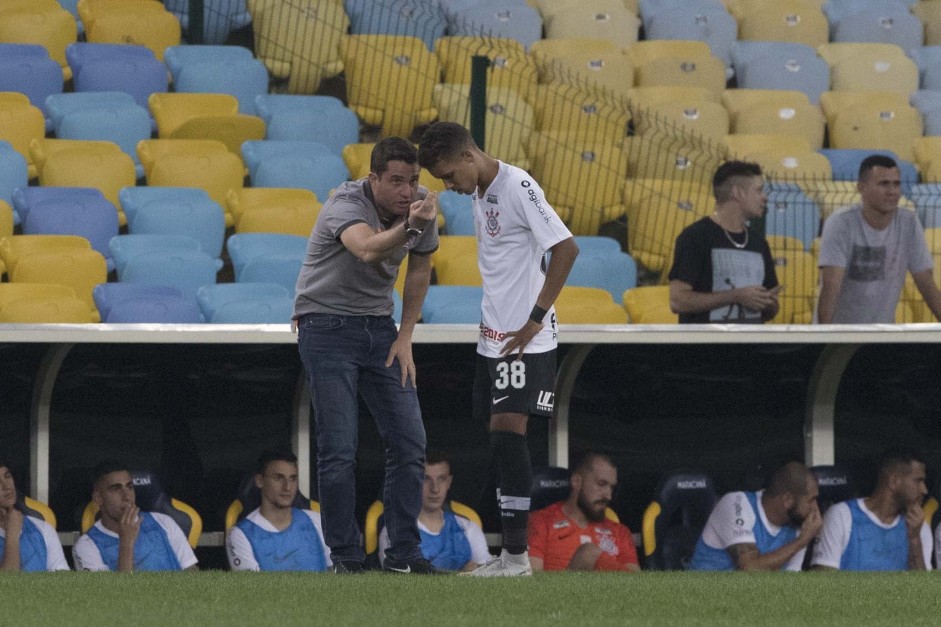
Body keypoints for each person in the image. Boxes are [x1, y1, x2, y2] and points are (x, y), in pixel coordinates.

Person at [418, 121, 579, 577]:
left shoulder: (517, 185)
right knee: (498, 436)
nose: (449, 186)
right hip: (494, 334)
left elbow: (566, 249)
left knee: (510, 435)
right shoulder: (478, 190)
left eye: (450, 174)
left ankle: (517, 559)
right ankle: (509, 558)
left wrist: (535, 318)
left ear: (469, 156)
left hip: (524, 335)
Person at [293, 137, 439, 575]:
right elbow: (366, 248)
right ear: (372, 178)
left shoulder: (420, 209)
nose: (406, 191)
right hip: (325, 326)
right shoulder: (345, 201)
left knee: (411, 442)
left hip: (380, 330)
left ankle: (404, 556)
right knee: (339, 449)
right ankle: (346, 558)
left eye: (413, 181)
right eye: (395, 181)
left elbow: (419, 268)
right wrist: (412, 226)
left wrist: (406, 334)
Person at [817, 154, 941, 323]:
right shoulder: (840, 223)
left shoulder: (909, 222)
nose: (892, 191)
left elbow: (926, 282)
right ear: (861, 188)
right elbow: (831, 285)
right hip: (842, 334)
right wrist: (825, 336)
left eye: (896, 184)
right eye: (884, 184)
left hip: (882, 334)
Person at [668, 160, 780, 323]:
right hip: (708, 346)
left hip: (750, 346)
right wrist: (735, 296)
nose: (765, 197)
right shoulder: (695, 237)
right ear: (737, 192)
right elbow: (677, 301)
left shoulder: (759, 243)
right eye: (759, 190)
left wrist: (768, 303)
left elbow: (770, 310)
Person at [811, 448, 932, 570]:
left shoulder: (918, 527)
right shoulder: (841, 516)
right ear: (893, 481)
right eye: (918, 481)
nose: (924, 490)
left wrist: (915, 540)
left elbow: (922, 588)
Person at [689, 461, 822, 571]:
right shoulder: (736, 504)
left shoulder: (799, 528)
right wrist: (802, 541)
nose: (815, 509)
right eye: (811, 500)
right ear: (787, 500)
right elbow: (750, 569)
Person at [72, 462, 198, 572]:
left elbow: (191, 572)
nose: (126, 496)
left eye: (130, 487)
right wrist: (126, 542)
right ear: (98, 498)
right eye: (116, 489)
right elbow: (114, 596)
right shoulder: (86, 546)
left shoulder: (163, 522)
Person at [377, 451, 490, 572]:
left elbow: (489, 578)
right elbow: (399, 579)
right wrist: (464, 573)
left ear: (449, 482)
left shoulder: (468, 527)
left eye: (441, 479)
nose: (435, 489)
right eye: (426, 479)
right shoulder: (396, 532)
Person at [528, 452, 639, 572]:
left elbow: (637, 584)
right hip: (559, 590)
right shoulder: (541, 521)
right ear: (576, 482)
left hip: (608, 590)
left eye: (612, 487)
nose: (608, 495)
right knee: (588, 553)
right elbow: (533, 580)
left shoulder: (620, 532)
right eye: (601, 484)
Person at [226, 450, 331, 571]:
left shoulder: (317, 521)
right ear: (260, 481)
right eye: (278, 478)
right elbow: (253, 589)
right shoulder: (240, 535)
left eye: (292, 479)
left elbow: (337, 578)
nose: (287, 487)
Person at [0, 459, 69, 571]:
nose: (6, 486)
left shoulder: (43, 529)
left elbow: (63, 583)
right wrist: (12, 536)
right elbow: (7, 585)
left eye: (7, 476)